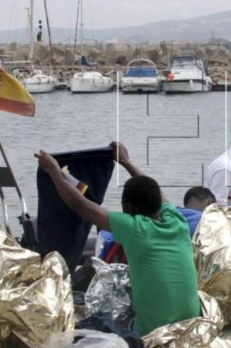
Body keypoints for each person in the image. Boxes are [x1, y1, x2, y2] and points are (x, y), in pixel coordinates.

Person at [37, 142, 200, 336]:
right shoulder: (176, 220)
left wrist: (54, 171)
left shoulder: (135, 228)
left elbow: (81, 205)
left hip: (153, 330)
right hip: (191, 321)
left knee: (91, 324)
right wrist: (125, 161)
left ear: (130, 209)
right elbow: (155, 190)